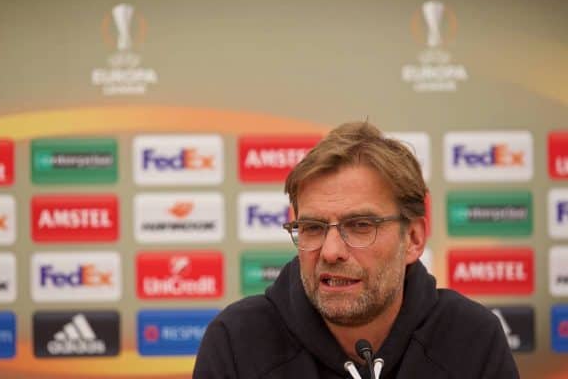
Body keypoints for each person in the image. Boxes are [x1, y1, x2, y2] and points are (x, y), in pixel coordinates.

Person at [193, 121, 519, 379]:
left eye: (360, 225)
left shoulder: (471, 338)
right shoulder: (238, 341)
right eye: (313, 228)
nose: (331, 251)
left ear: (415, 239)